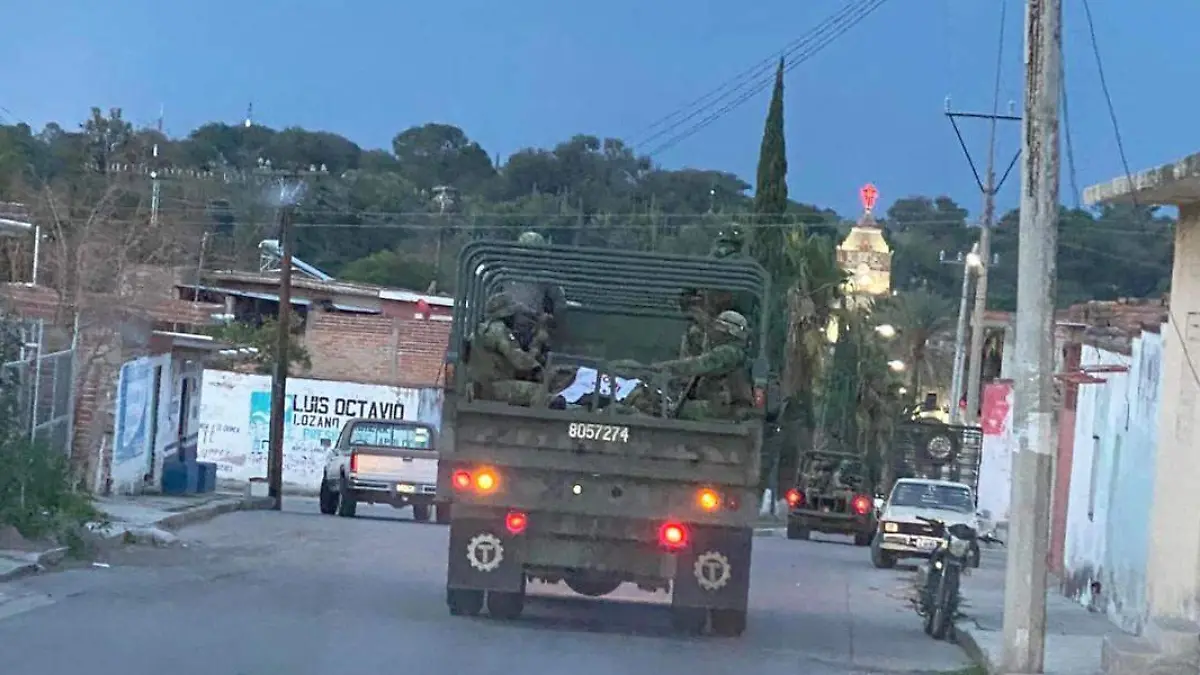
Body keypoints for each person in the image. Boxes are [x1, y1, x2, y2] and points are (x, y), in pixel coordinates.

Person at [638, 310, 755, 421]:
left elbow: (700, 365)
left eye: (719, 327)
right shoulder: (730, 351)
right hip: (721, 405)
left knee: (671, 410)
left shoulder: (730, 352)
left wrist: (663, 368)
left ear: (727, 331)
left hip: (725, 408)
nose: (714, 331)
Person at [467, 292, 545, 406]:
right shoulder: (499, 329)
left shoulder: (483, 329)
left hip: (479, 387)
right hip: (492, 388)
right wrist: (537, 347)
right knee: (541, 392)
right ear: (507, 314)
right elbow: (520, 362)